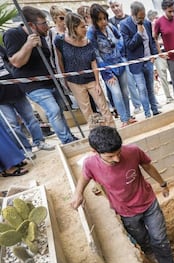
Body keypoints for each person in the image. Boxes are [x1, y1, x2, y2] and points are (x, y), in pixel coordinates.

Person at [71, 126, 174, 263]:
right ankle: (150, 252)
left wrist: (163, 184)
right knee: (142, 239)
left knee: (159, 239)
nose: (117, 159)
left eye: (118, 152)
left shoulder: (133, 151)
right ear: (94, 151)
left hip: (148, 203)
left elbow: (148, 167)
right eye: (110, 156)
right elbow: (84, 177)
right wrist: (78, 194)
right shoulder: (90, 164)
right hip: (126, 212)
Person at [3, 6, 77, 145]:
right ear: (31, 25)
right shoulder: (13, 34)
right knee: (53, 110)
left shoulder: (42, 36)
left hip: (49, 80)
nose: (47, 26)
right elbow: (16, 62)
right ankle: (66, 141)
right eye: (43, 23)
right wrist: (28, 45)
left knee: (60, 110)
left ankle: (69, 136)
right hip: (33, 84)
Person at [55, 13, 115, 129]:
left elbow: (94, 62)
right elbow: (60, 61)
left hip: (91, 79)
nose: (85, 29)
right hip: (74, 80)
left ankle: (112, 129)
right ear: (74, 28)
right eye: (82, 27)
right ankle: (95, 133)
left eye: (85, 26)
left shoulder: (88, 41)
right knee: (86, 110)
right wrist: (66, 79)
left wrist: (98, 83)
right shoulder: (60, 41)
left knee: (103, 106)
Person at [0, 47, 55, 159]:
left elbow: (11, 60)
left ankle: (39, 141)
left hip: (16, 90)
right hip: (1, 99)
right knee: (12, 125)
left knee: (31, 118)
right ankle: (25, 148)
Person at [88, 3, 136, 127]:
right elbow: (96, 55)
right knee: (117, 93)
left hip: (120, 63)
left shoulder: (110, 26)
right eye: (100, 19)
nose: (103, 22)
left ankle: (129, 116)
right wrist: (107, 73)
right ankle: (124, 119)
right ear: (94, 20)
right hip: (107, 69)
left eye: (104, 18)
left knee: (125, 92)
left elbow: (120, 38)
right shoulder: (92, 32)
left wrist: (120, 52)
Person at [120, 1, 161, 119]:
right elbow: (129, 45)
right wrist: (138, 33)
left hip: (148, 61)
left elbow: (152, 41)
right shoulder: (124, 25)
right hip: (136, 64)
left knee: (150, 88)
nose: (142, 20)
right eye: (139, 18)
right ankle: (147, 114)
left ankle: (155, 110)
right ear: (133, 14)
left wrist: (153, 55)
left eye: (143, 17)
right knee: (142, 89)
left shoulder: (147, 23)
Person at [107, 0, 142, 115]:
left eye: (117, 5)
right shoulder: (111, 22)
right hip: (122, 57)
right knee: (130, 83)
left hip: (134, 54)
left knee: (140, 81)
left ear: (121, 5)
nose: (116, 8)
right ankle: (137, 105)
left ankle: (143, 103)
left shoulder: (129, 18)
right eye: (113, 7)